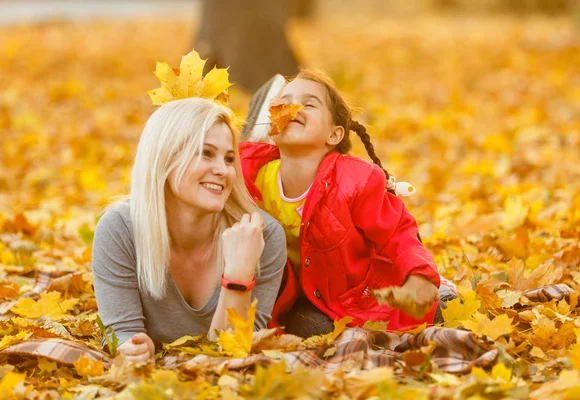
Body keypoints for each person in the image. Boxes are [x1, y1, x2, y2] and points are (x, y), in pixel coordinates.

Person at [240, 70, 456, 338]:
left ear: (334, 135)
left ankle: (440, 289)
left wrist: (419, 278)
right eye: (284, 101)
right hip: (298, 297)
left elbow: (397, 234)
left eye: (309, 104)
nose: (294, 108)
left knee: (432, 312)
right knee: (309, 329)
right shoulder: (248, 176)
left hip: (357, 293)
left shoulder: (355, 181)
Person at [92, 98, 287, 363]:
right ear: (165, 157)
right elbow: (122, 335)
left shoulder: (261, 236)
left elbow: (232, 355)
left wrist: (238, 275)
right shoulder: (120, 228)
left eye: (229, 159)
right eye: (205, 153)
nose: (222, 171)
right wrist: (132, 348)